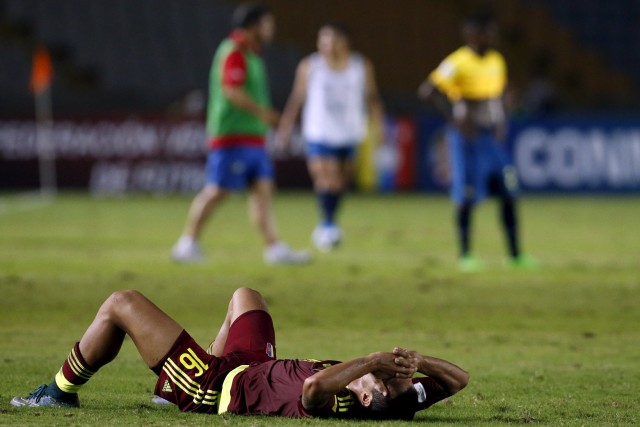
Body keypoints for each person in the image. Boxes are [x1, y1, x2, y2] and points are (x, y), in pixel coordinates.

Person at [11, 287, 469, 420]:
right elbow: (460, 379)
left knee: (121, 304)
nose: (386, 369)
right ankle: (168, 393)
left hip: (216, 385)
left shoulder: (340, 398)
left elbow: (311, 389)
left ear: (367, 396)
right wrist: (419, 364)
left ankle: (59, 392)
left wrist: (371, 361)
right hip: (253, 365)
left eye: (382, 377)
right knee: (245, 295)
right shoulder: (401, 401)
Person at [171, 3, 310, 265]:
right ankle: (186, 243)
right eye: (268, 24)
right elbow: (232, 92)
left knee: (263, 189)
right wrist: (265, 114)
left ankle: (274, 248)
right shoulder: (234, 51)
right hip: (232, 135)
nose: (272, 30)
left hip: (252, 137)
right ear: (253, 26)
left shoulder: (252, 53)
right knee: (218, 190)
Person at [417, 13, 536, 271]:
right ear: (472, 35)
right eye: (487, 33)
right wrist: (453, 120)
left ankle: (516, 256)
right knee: (467, 197)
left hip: (491, 140)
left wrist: (503, 120)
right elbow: (427, 91)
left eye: (493, 32)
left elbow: (500, 92)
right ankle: (466, 254)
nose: (492, 37)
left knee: (509, 192)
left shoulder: (496, 60)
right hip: (466, 140)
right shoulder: (457, 62)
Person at [277, 23, 384, 252]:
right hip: (318, 131)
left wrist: (380, 125)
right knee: (326, 178)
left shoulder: (360, 66)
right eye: (322, 42)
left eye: (332, 41)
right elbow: (297, 98)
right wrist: (286, 126)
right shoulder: (310, 66)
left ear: (344, 43)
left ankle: (329, 222)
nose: (327, 46)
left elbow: (373, 97)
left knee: (341, 181)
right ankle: (327, 226)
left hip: (349, 132)